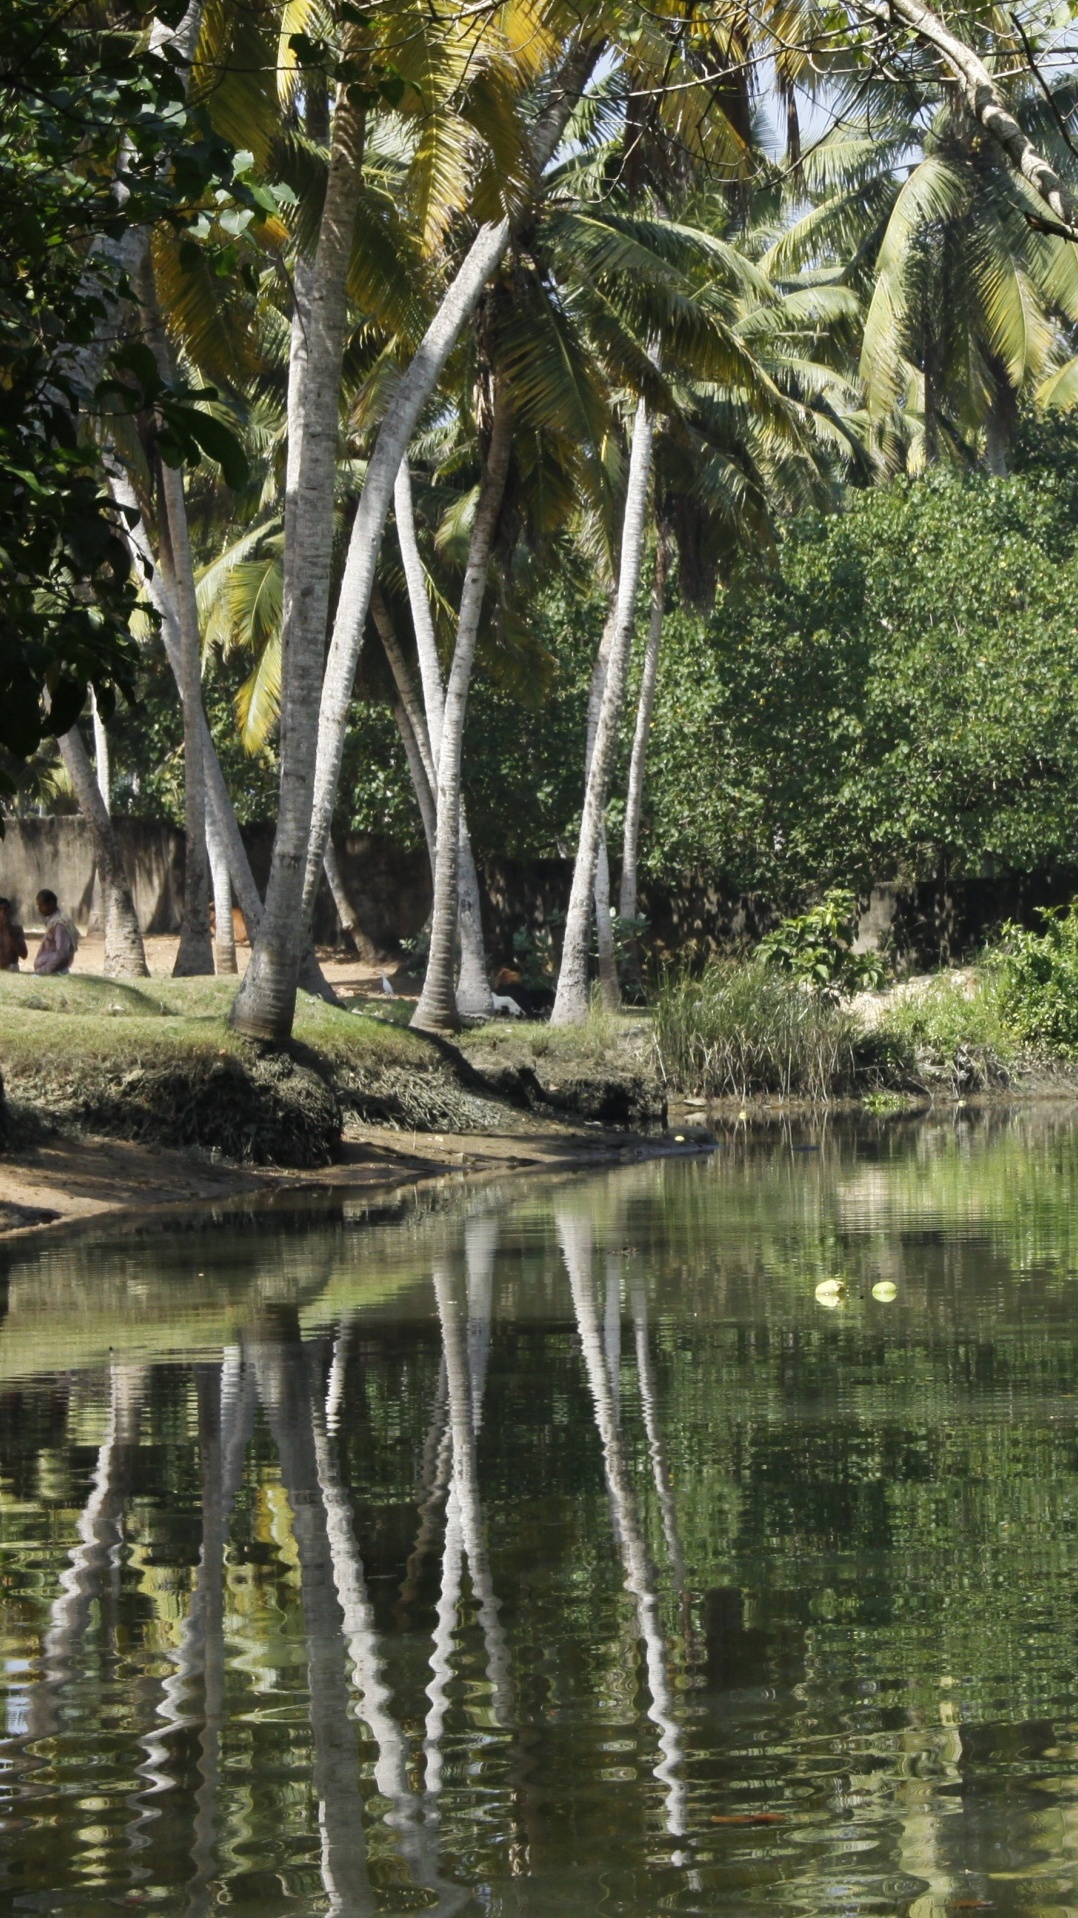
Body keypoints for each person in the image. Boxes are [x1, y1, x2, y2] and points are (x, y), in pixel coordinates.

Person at [33, 889, 78, 975]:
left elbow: (62, 954)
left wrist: (43, 971)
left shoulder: (60, 924)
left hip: (55, 972)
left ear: (51, 903)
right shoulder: (54, 921)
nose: (39, 909)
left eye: (42, 905)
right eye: (38, 906)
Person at [0, 898, 27, 971]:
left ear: (10, 912)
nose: (3, 913)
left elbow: (24, 955)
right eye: (0, 910)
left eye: (5, 909)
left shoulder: (17, 929)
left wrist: (10, 932)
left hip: (11, 968)